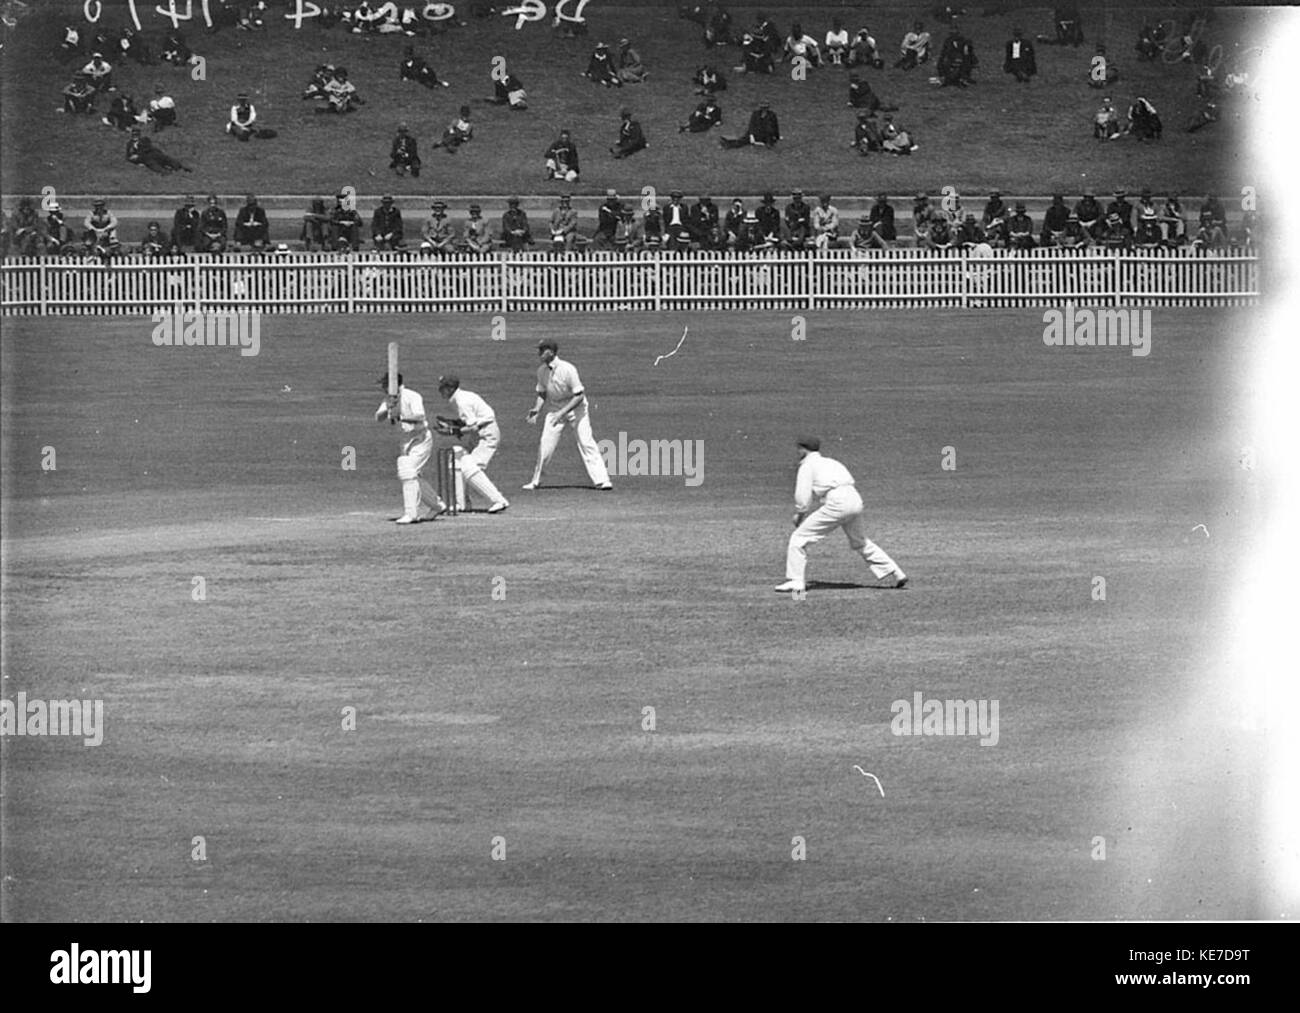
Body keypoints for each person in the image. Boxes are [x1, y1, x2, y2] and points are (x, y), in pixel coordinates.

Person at [775, 436, 907, 594]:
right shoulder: (832, 462)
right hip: (854, 499)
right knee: (860, 541)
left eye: (798, 449)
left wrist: (800, 515)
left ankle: (796, 582)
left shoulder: (807, 465)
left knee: (798, 538)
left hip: (837, 502)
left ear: (803, 449)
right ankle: (897, 573)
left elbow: (803, 496)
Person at [524, 339, 613, 491]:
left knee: (586, 442)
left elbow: (579, 395)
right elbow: (542, 393)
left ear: (551, 352)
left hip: (576, 408)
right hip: (555, 409)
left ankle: (602, 481)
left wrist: (562, 412)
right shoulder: (541, 371)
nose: (538, 353)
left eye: (542, 350)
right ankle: (536, 481)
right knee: (545, 446)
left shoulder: (568, 369)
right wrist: (537, 409)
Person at [375, 371, 445, 524]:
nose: (382, 388)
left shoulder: (412, 396)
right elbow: (378, 418)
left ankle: (411, 513)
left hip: (421, 439)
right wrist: (388, 408)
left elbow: (420, 416)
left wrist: (400, 416)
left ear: (394, 384)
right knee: (412, 475)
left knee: (406, 471)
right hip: (405, 441)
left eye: (384, 385)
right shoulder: (389, 399)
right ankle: (437, 505)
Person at [435, 375, 509, 513]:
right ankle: (461, 503)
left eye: (443, 388)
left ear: (451, 388)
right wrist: (452, 423)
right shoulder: (458, 398)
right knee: (456, 460)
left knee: (470, 466)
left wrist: (451, 430)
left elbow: (473, 427)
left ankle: (499, 500)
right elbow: (469, 422)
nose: (440, 391)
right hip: (479, 434)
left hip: (487, 434)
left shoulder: (461, 401)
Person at [126, 126, 192, 174]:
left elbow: (148, 147)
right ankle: (166, 172)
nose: (135, 136)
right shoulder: (129, 144)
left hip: (153, 153)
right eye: (134, 135)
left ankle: (180, 167)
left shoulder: (144, 139)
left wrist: (138, 148)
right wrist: (136, 161)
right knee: (153, 165)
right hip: (145, 157)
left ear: (139, 134)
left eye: (137, 134)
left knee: (166, 159)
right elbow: (129, 156)